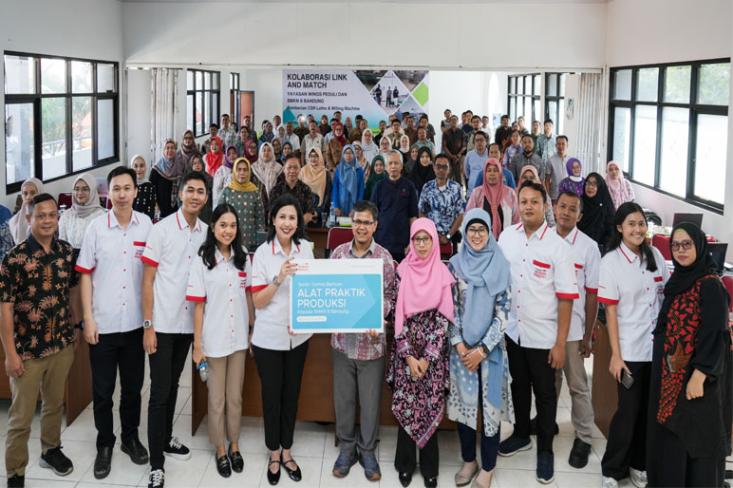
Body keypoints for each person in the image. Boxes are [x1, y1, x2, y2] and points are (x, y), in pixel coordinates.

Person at [496, 182, 578, 484]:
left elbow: (567, 298)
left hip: (544, 336)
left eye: (534, 201)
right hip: (513, 331)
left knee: (545, 394)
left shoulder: (558, 247)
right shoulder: (507, 237)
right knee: (518, 385)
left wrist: (560, 344)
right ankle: (520, 434)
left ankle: (545, 449)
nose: (528, 206)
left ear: (546, 206)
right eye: (523, 201)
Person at [76, 166, 152, 479]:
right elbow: (84, 276)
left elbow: (152, 277)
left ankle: (130, 438)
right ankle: (105, 442)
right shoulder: (96, 228)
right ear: (109, 193)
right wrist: (88, 320)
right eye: (116, 189)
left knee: (133, 389)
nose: (121, 195)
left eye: (127, 188)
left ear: (135, 191)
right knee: (104, 391)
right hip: (103, 325)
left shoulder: (146, 226)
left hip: (135, 325)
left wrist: (150, 323)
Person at [1, 194, 80, 488]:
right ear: (30, 218)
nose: (47, 220)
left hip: (61, 343)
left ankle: (51, 450)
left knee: (54, 404)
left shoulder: (65, 252)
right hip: (27, 351)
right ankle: (15, 473)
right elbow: (5, 308)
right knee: (20, 417)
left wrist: (77, 325)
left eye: (52, 215)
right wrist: (10, 353)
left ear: (57, 218)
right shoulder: (15, 258)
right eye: (41, 215)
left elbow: (71, 291)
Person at [647, 222, 730, 487]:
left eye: (687, 244)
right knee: (672, 439)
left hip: (695, 382)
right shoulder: (679, 280)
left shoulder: (710, 286)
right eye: (675, 245)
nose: (680, 250)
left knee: (693, 440)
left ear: (699, 245)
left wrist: (700, 374)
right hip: (671, 377)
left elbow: (715, 334)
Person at [141, 172, 210, 488]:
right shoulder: (162, 229)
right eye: (190, 190)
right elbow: (148, 281)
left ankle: (167, 438)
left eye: (201, 192)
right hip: (163, 324)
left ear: (206, 198)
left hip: (187, 325)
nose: (195, 196)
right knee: (159, 391)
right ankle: (156, 464)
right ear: (181, 194)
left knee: (173, 387)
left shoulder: (207, 233)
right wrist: (148, 326)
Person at [597, 202, 669, 488]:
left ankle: (639, 464)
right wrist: (616, 356)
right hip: (629, 351)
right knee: (628, 412)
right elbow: (611, 313)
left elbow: (664, 300)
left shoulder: (656, 256)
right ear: (620, 228)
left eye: (641, 224)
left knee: (648, 413)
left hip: (656, 350)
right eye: (631, 224)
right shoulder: (611, 262)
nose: (638, 229)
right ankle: (612, 469)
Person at [329, 200, 396, 482]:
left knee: (370, 403)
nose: (361, 227)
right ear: (350, 223)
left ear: (375, 226)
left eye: (367, 222)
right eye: (357, 221)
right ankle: (346, 447)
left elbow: (392, 296)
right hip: (343, 343)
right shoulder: (337, 255)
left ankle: (367, 450)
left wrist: (376, 315)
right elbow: (330, 291)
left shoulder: (384, 259)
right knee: (344, 400)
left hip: (372, 345)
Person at [447, 208, 513, 488]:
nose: (476, 235)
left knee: (490, 411)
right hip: (460, 351)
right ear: (464, 232)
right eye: (471, 229)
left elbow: (504, 312)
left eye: (481, 230)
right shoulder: (454, 265)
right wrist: (461, 345)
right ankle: (468, 461)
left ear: (489, 232)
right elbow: (449, 309)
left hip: (491, 352)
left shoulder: (501, 264)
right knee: (464, 407)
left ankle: (487, 467)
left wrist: (482, 350)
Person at [250, 194, 314, 486]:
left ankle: (287, 451)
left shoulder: (307, 249)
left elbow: (315, 291)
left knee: (292, 395)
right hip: (269, 338)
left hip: (299, 338)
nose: (288, 223)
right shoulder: (262, 253)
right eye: (282, 217)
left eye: (292, 217)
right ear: (273, 220)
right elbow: (258, 301)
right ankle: (273, 452)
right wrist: (279, 278)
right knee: (271, 396)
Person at [187, 203, 254, 479]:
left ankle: (234, 443)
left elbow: (248, 297)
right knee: (216, 399)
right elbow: (198, 307)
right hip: (213, 340)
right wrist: (198, 346)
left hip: (238, 339)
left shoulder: (244, 257)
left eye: (232, 225)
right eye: (222, 225)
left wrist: (252, 331)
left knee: (235, 397)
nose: (228, 230)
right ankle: (220, 449)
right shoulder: (202, 260)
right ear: (213, 227)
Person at [387, 218, 454, 488]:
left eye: (427, 239)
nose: (422, 244)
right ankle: (405, 464)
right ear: (411, 242)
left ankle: (429, 468)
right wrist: (409, 357)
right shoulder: (401, 272)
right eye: (417, 239)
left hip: (432, 359)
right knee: (406, 407)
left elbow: (443, 322)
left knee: (429, 408)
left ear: (434, 242)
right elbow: (395, 315)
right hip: (406, 355)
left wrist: (426, 358)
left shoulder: (443, 273)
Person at [551, 192, 600, 469]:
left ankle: (583, 436)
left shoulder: (588, 247)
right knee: (550, 381)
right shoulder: (544, 240)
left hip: (573, 329)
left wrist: (588, 333)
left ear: (580, 216)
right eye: (562, 207)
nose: (566, 213)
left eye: (573, 209)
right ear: (554, 209)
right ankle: (548, 423)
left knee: (578, 385)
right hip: (545, 325)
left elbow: (592, 294)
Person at [370, 150, 418, 262]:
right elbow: (372, 216)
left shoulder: (409, 186)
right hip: (381, 241)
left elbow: (413, 217)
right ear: (386, 167)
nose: (393, 166)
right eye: (390, 163)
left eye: (396, 163)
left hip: (403, 244)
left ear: (401, 166)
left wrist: (412, 242)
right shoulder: (379, 186)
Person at [418, 154, 464, 253]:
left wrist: (448, 236)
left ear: (449, 169)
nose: (441, 170)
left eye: (444, 167)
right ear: (434, 168)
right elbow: (421, 212)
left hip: (451, 237)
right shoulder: (427, 187)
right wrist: (433, 234)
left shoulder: (456, 188)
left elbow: (460, 215)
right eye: (438, 166)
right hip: (430, 237)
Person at [218, 158, 267, 251]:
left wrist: (259, 241)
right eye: (239, 169)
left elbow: (260, 219)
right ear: (234, 171)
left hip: (251, 240)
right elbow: (219, 216)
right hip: (229, 239)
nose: (242, 172)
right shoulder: (227, 191)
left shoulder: (255, 192)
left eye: (245, 170)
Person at [465, 158, 519, 239]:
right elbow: (469, 216)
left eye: (495, 170)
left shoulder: (510, 193)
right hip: (481, 243)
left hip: (505, 243)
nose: (492, 173)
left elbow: (516, 220)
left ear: (500, 173)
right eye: (489, 170)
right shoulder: (477, 193)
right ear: (484, 174)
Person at [58, 173, 105, 250]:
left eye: (85, 189)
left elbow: (103, 246)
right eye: (76, 189)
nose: (80, 193)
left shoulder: (101, 216)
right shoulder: (66, 215)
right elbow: (61, 244)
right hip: (70, 259)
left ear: (92, 191)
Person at [269, 155, 315, 225]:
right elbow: (271, 214)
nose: (292, 171)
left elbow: (309, 214)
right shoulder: (276, 190)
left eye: (295, 167)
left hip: (300, 230)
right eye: (289, 167)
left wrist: (294, 225)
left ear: (300, 169)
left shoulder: (306, 189)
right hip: (280, 230)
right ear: (284, 169)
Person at [577, 173, 615, 254]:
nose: (590, 187)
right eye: (588, 183)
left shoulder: (606, 207)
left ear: (600, 187)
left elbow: (611, 232)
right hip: (578, 248)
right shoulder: (578, 204)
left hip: (599, 250)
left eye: (594, 184)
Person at [151, 139, 184, 219]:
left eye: (172, 148)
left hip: (175, 207)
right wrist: (155, 205)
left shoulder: (179, 167)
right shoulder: (156, 169)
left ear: (175, 150)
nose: (170, 150)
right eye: (167, 148)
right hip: (160, 208)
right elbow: (151, 189)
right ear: (164, 151)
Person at [299, 147, 332, 227]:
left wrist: (318, 212)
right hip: (303, 213)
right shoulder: (302, 171)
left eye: (316, 156)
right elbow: (298, 192)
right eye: (311, 156)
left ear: (320, 157)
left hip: (319, 213)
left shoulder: (326, 173)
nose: (313, 158)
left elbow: (327, 194)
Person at [332, 145, 365, 219]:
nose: (348, 155)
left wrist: (356, 209)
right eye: (346, 153)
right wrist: (336, 206)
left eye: (350, 153)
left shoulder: (359, 170)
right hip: (340, 206)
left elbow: (361, 191)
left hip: (354, 206)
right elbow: (335, 188)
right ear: (343, 155)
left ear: (354, 154)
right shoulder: (339, 169)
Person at [7, 178, 42, 245]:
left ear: (40, 193)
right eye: (25, 193)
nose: (28, 197)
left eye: (33, 193)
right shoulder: (14, 221)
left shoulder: (49, 217)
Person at [130, 154, 157, 220]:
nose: (138, 169)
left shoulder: (150, 187)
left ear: (145, 167)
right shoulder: (128, 185)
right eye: (135, 166)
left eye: (141, 166)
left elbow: (151, 211)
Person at [464, 131, 489, 195]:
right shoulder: (469, 154)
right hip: (472, 191)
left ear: (486, 141)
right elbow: (466, 172)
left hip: (487, 191)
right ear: (474, 142)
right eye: (477, 140)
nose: (479, 142)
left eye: (481, 140)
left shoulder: (490, 154)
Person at [442, 115, 465, 184]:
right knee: (447, 175)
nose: (454, 121)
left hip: (458, 158)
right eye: (452, 120)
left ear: (457, 122)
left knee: (458, 177)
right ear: (450, 122)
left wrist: (458, 155)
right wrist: (451, 156)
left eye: (455, 120)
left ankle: (459, 192)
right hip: (448, 158)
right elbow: (444, 146)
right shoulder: (446, 133)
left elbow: (464, 146)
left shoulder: (461, 132)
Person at [191, 155, 213, 224]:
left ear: (203, 164)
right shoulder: (188, 179)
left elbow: (213, 197)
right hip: (191, 211)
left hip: (205, 212)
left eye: (199, 162)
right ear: (191, 165)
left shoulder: (209, 178)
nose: (197, 165)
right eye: (194, 163)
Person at [547, 136, 570, 202]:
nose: (560, 146)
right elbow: (547, 180)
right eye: (558, 144)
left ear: (567, 145)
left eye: (563, 144)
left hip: (568, 194)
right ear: (555, 145)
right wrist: (548, 196)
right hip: (554, 195)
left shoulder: (571, 161)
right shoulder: (550, 160)